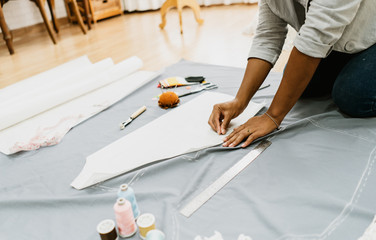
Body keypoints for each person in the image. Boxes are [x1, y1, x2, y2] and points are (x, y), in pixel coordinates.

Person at [208, 0, 376, 148]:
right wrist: (240, 101)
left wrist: (273, 116)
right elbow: (268, 36)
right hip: (350, 37)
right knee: (302, 85)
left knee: (352, 95)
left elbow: (314, 38)